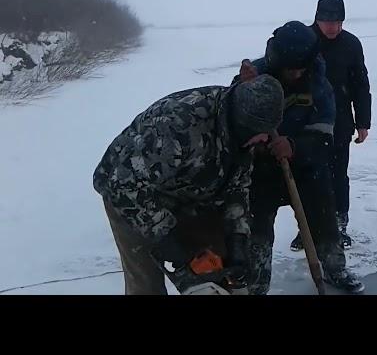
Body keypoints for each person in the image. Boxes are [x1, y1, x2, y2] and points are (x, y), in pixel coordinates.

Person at [93, 75, 284, 295]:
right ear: (243, 123)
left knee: (219, 273)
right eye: (262, 133)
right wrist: (171, 245)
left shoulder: (244, 133)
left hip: (191, 194)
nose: (266, 140)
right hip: (131, 195)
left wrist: (237, 240)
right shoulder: (178, 125)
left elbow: (237, 188)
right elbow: (122, 186)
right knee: (146, 287)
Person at [236, 20, 364, 294]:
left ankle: (333, 270)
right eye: (289, 68)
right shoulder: (253, 75)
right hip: (261, 169)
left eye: (299, 68)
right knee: (256, 231)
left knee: (325, 220)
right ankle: (255, 281)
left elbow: (324, 133)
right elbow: (233, 121)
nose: (295, 73)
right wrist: (241, 90)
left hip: (306, 166)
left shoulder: (318, 82)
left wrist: (294, 146)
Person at [290, 0, 372, 250]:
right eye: (328, 21)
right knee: (307, 177)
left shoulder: (351, 44)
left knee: (338, 176)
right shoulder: (304, 40)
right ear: (317, 18)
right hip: (305, 124)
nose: (333, 27)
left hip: (340, 123)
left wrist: (363, 121)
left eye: (338, 22)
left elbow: (360, 84)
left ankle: (339, 227)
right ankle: (306, 230)